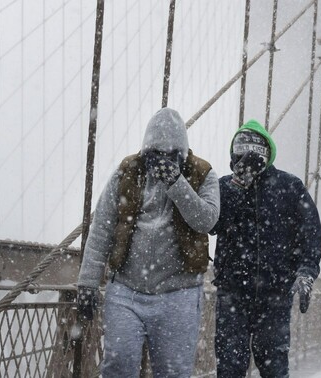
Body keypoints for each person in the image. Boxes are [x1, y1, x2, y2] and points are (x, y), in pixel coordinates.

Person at [76, 107, 220, 377]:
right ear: (146, 150)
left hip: (180, 293)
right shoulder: (127, 172)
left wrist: (176, 182)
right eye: (156, 153)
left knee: (174, 372)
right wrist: (87, 282)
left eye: (171, 154)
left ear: (182, 152)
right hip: (126, 291)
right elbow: (102, 230)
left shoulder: (203, 173)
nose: (162, 160)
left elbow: (207, 220)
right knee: (118, 365)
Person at [210, 119, 321, 378]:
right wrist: (238, 186)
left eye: (255, 149)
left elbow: (311, 235)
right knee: (229, 369)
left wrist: (306, 273)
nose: (248, 155)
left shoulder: (290, 187)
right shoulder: (224, 186)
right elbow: (213, 224)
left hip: (275, 296)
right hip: (233, 294)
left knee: (274, 369)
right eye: (242, 148)